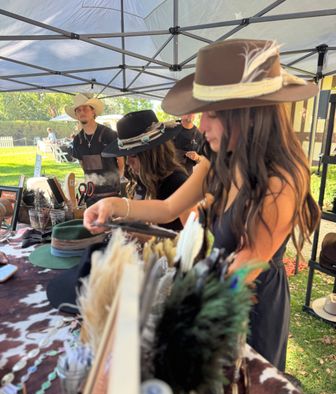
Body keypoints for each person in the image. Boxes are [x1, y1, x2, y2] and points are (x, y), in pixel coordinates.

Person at [84, 38, 321, 371]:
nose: (202, 126)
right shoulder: (219, 160)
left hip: (250, 306)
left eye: (210, 114)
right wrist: (115, 205)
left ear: (248, 114)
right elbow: (168, 208)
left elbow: (247, 267)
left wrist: (180, 308)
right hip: (216, 291)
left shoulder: (282, 181)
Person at [101, 110, 191, 231]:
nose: (127, 162)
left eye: (132, 155)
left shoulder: (177, 183)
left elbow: (190, 239)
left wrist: (141, 236)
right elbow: (144, 218)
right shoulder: (143, 179)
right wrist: (124, 222)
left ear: (151, 154)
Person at [65, 93, 124, 206]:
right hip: (91, 195)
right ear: (76, 115)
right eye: (78, 110)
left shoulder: (109, 134)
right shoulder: (77, 140)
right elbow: (82, 163)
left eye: (85, 109)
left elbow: (120, 160)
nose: (82, 112)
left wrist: (118, 178)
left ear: (93, 112)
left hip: (111, 194)